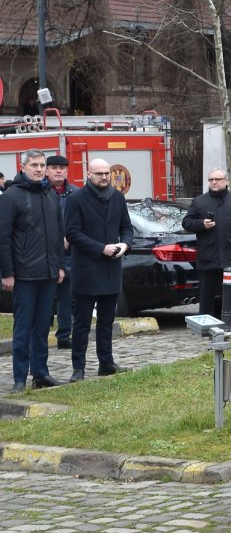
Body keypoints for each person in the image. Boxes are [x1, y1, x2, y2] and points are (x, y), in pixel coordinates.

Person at [0, 150, 67, 392]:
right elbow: (3, 237)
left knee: (42, 328)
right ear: (23, 167)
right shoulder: (11, 196)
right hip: (24, 275)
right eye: (34, 165)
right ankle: (20, 377)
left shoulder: (50, 195)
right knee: (23, 328)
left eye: (41, 165)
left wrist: (60, 266)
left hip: (48, 274)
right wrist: (7, 273)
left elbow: (58, 234)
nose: (39, 169)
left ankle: (41, 373)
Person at [63, 158, 134, 382]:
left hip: (111, 268)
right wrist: (100, 248)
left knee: (106, 322)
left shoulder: (117, 197)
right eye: (99, 173)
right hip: (86, 270)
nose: (104, 177)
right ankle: (78, 368)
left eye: (106, 173)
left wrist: (125, 244)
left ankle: (106, 363)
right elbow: (72, 232)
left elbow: (126, 227)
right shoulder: (76, 199)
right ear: (89, 174)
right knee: (82, 324)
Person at [183, 169, 231, 331]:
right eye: (211, 179)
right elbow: (186, 222)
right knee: (206, 293)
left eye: (218, 179)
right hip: (208, 254)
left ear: (226, 181)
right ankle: (206, 326)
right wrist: (201, 224)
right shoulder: (199, 201)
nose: (214, 182)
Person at [46, 154, 78, 350]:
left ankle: (64, 335)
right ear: (47, 170)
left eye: (62, 168)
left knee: (66, 297)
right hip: (43, 253)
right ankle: (40, 333)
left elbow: (82, 222)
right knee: (44, 296)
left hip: (68, 254)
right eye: (54, 168)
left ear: (67, 171)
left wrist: (70, 238)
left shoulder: (76, 193)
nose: (58, 171)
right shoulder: (40, 191)